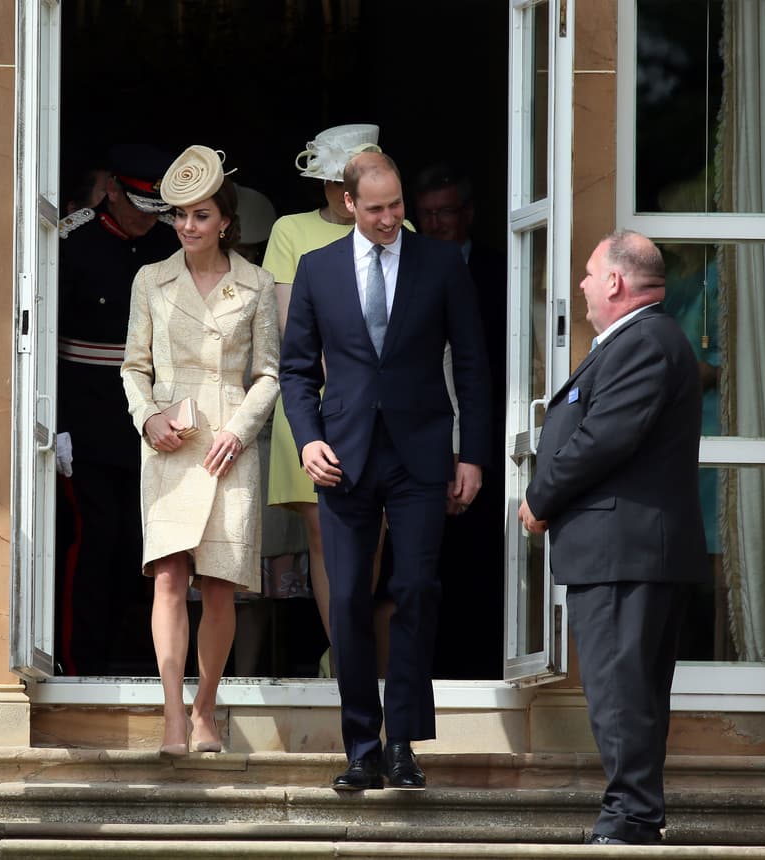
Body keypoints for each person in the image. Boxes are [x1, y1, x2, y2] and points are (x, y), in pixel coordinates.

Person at [280, 151, 491, 790]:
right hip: (343, 458)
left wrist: (473, 453)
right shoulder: (316, 270)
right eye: (376, 208)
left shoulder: (440, 262)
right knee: (345, 598)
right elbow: (294, 369)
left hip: (421, 454)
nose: (390, 218)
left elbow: (475, 363)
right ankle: (360, 747)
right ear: (348, 203)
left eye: (396, 205)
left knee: (415, 591)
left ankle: (402, 744)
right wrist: (308, 440)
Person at [517, 229, 708, 845]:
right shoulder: (633, 340)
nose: (581, 285)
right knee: (625, 691)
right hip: (624, 549)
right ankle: (635, 815)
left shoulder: (645, 341)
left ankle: (629, 818)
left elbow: (605, 438)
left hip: (627, 552)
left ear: (617, 283)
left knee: (622, 692)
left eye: (589, 273)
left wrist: (541, 497)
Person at [121, 145, 280, 755]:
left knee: (219, 584)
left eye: (201, 215)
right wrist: (148, 418)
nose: (188, 226)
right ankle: (169, 714)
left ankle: (204, 709)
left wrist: (240, 430)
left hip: (229, 444)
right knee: (167, 575)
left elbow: (268, 372)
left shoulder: (257, 282)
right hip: (170, 442)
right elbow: (134, 366)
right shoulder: (150, 280)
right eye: (180, 215)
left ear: (226, 222)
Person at [262, 123, 386, 669]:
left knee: (373, 533)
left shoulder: (392, 222)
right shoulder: (290, 230)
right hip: (313, 400)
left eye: (353, 179)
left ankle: (352, 642)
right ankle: (344, 656)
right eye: (338, 181)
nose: (345, 191)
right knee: (323, 530)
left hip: (378, 403)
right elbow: (290, 325)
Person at [56, 144, 180, 677]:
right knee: (94, 538)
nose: (146, 219)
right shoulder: (71, 243)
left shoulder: (169, 246)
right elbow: (41, 338)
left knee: (142, 545)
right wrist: (56, 421)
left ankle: (127, 660)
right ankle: (79, 661)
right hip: (88, 415)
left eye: (157, 209)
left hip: (151, 419)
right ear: (111, 189)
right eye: (137, 205)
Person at [411, 162, 506, 680]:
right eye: (426, 214)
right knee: (426, 571)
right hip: (422, 441)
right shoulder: (406, 267)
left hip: (487, 435)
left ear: (468, 212)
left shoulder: (503, 267)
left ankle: (483, 671)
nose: (436, 223)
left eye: (445, 211)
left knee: (483, 564)